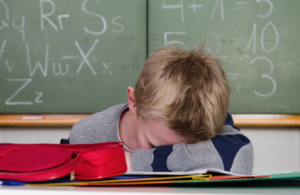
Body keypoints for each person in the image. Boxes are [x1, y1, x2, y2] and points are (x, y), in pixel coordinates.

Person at [69, 44, 253, 175]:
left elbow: (240, 154)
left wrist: (132, 163)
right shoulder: (88, 134)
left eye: (186, 147)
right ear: (134, 101)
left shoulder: (205, 116)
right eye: (153, 146)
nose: (166, 152)